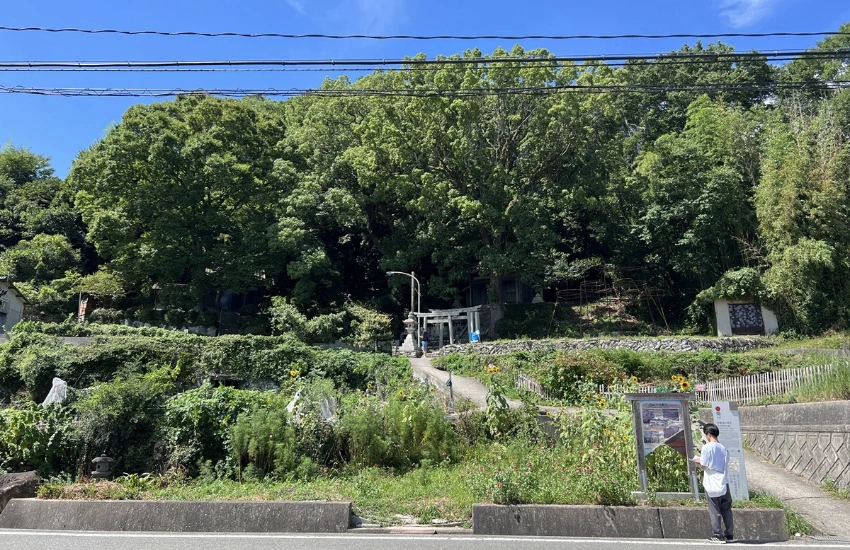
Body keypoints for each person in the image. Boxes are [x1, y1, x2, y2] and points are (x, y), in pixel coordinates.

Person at [693, 423, 734, 544]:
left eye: (706, 434)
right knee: (726, 509)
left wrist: (698, 461)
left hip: (711, 482)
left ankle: (717, 535)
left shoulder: (707, 448)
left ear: (709, 434)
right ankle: (729, 535)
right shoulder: (724, 448)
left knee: (714, 509)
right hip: (724, 482)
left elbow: (705, 465)